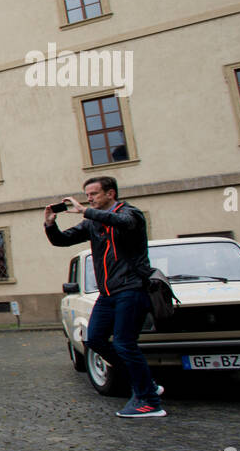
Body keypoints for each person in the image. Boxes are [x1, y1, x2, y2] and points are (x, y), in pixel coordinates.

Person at [45, 176, 164, 418]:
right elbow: (62, 240)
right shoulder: (92, 223)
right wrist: (50, 224)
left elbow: (123, 223)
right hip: (108, 294)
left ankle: (149, 401)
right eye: (87, 195)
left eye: (94, 194)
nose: (88, 199)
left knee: (124, 343)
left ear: (110, 194)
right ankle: (145, 384)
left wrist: (85, 211)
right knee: (95, 340)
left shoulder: (131, 214)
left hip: (132, 289)